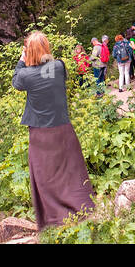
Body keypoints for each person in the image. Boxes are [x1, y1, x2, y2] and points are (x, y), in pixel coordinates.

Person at [13, 32, 96, 230]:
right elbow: (47, 69)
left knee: (45, 176)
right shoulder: (57, 67)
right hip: (62, 128)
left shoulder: (25, 75)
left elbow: (16, 81)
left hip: (41, 132)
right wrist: (39, 54)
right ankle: (80, 208)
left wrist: (22, 59)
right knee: (71, 171)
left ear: (29, 52)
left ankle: (54, 218)